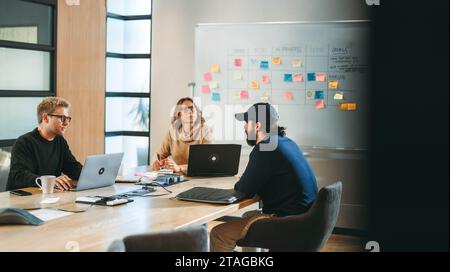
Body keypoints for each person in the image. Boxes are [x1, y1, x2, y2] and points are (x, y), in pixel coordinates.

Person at [210, 102, 318, 252]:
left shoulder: (265, 148)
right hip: (306, 219)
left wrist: (245, 181)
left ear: (257, 126)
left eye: (247, 122)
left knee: (218, 233)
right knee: (248, 215)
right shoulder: (286, 142)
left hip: (288, 222)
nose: (244, 127)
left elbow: (243, 190)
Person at [7, 97, 82, 191]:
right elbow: (19, 176)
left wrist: (92, 175)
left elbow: (72, 167)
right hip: (22, 198)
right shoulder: (24, 142)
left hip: (48, 196)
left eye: (68, 118)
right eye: (62, 118)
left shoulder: (60, 141)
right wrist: (49, 181)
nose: (66, 123)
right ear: (46, 118)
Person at [151, 97, 212, 174]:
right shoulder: (172, 132)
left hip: (199, 177)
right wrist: (156, 163)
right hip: (177, 178)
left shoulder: (205, 132)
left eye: (192, 109)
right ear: (179, 115)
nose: (190, 112)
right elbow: (159, 155)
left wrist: (180, 167)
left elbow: (206, 163)